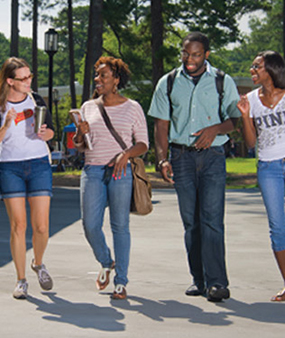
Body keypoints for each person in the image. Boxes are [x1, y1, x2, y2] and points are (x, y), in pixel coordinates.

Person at [148, 32, 240, 302]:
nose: (190, 59)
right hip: (181, 157)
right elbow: (161, 125)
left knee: (212, 220)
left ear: (206, 55)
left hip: (212, 157)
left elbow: (235, 118)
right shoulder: (168, 82)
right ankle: (198, 280)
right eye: (186, 53)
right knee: (191, 223)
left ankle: (217, 282)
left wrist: (215, 129)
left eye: (196, 54)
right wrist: (163, 159)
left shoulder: (222, 81)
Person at [73, 56, 149, 300]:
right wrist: (80, 133)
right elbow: (79, 145)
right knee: (90, 225)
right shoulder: (88, 107)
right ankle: (106, 261)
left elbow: (143, 144)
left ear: (116, 80)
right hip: (93, 170)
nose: (98, 80)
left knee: (120, 226)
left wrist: (126, 154)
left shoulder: (133, 107)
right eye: (97, 75)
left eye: (103, 75)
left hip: (120, 173)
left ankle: (121, 282)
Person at [0, 57, 54, 299]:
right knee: (18, 225)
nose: (29, 81)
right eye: (24, 78)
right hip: (9, 167)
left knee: (41, 226)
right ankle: (21, 279)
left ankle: (38, 263)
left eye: (30, 76)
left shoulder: (37, 101)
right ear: (10, 81)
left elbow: (51, 131)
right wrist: (6, 124)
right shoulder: (0, 106)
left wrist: (45, 133)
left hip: (39, 164)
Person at [237, 51, 285, 302]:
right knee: (278, 228)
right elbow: (251, 142)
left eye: (256, 67)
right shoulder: (251, 99)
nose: (251, 70)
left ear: (271, 69)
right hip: (268, 168)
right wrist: (245, 116)